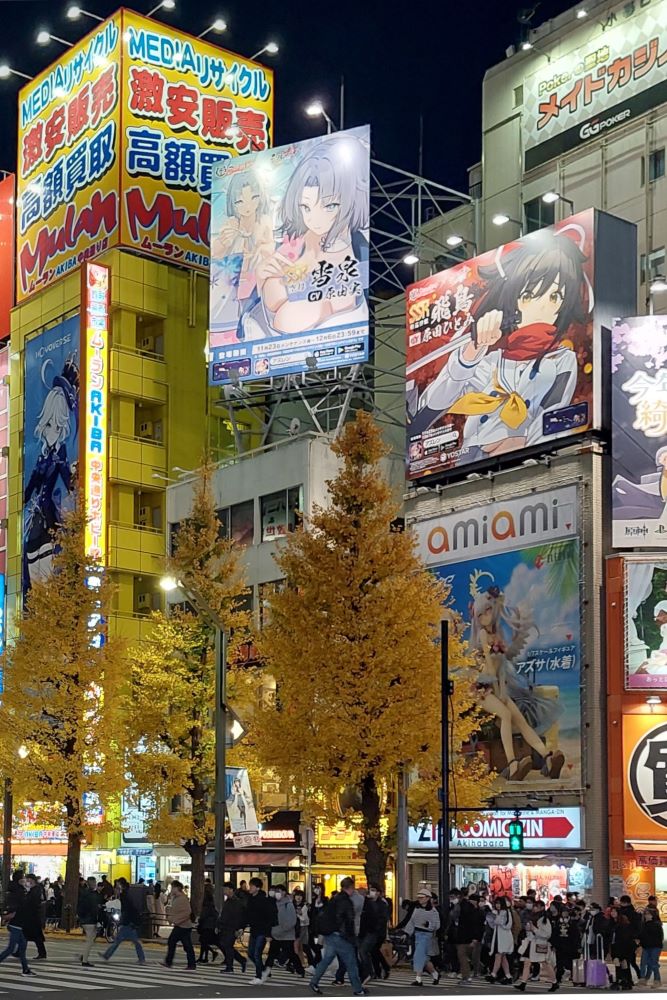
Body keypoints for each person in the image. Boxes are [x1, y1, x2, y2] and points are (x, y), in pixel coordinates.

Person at [254, 132, 370, 339]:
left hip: (336, 348)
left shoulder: (360, 251)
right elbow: (269, 302)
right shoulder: (294, 244)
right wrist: (261, 278)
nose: (314, 219)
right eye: (305, 207)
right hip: (270, 349)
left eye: (329, 205)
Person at [467, 572, 565, 781]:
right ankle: (512, 764)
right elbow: (488, 670)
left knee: (521, 720)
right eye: (481, 613)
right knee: (505, 714)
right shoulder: (483, 636)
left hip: (496, 686)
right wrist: (499, 690)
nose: (484, 616)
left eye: (487, 612)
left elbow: (500, 668)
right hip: (480, 689)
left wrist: (502, 689)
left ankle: (547, 757)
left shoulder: (497, 637)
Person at [309, 875, 368, 997]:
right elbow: (348, 921)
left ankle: (314, 981)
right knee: (351, 962)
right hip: (341, 936)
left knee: (327, 959)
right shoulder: (346, 902)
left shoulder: (334, 899)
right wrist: (352, 938)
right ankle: (358, 988)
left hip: (330, 934)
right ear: (351, 888)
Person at [99, 877, 146, 964]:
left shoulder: (125, 895)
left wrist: (124, 921)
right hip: (130, 922)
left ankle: (107, 955)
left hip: (128, 922)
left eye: (117, 885)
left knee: (121, 940)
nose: (116, 887)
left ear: (121, 885)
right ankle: (141, 958)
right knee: (131, 941)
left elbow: (127, 909)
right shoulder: (126, 894)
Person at [403, 888, 441, 988]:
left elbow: (437, 925)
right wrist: (407, 933)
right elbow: (411, 921)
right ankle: (435, 974)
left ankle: (418, 979)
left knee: (418, 955)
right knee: (425, 959)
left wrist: (428, 924)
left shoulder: (433, 911)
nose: (420, 899)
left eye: (422, 897)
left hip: (426, 936)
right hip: (417, 934)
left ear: (428, 898)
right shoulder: (417, 908)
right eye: (419, 897)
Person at [514, 903, 557, 992]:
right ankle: (523, 982)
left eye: (536, 906)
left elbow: (547, 934)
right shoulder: (533, 917)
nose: (534, 908)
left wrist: (534, 929)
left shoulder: (544, 919)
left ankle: (554, 982)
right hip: (531, 943)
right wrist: (529, 929)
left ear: (541, 908)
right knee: (527, 962)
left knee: (545, 963)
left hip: (539, 944)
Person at [264, 883, 302, 979]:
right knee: (271, 954)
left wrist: (283, 929)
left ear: (284, 892)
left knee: (291, 954)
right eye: (276, 891)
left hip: (287, 935)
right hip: (276, 934)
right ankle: (266, 970)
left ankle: (300, 970)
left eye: (279, 891)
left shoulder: (288, 904)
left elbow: (292, 920)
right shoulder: (274, 904)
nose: (277, 893)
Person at [246, 876, 277, 985]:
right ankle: (264, 970)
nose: (250, 888)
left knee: (257, 954)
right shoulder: (250, 899)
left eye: (252, 886)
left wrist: (268, 933)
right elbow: (247, 915)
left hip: (262, 931)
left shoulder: (264, 901)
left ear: (258, 888)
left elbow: (269, 918)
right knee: (250, 953)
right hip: (254, 930)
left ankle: (259, 976)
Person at [161, 881, 196, 971]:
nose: (171, 890)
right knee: (186, 945)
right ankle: (191, 964)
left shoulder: (182, 899)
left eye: (172, 888)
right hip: (182, 925)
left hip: (182, 925)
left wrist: (176, 920)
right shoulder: (177, 898)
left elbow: (187, 912)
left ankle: (169, 962)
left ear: (177, 888)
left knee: (173, 942)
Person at [217, 882, 247, 975]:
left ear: (231, 890)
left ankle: (230, 967)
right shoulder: (228, 901)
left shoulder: (236, 902)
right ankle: (241, 960)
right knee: (226, 945)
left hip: (232, 928)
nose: (224, 891)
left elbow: (238, 917)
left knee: (228, 946)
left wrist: (238, 928)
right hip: (226, 927)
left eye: (225, 889)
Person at [486, 896, 514, 984]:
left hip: (504, 938)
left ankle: (493, 975)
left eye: (499, 903)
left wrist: (499, 921)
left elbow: (509, 925)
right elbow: (494, 925)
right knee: (502, 958)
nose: (498, 905)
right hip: (499, 937)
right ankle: (508, 976)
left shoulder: (507, 912)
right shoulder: (497, 913)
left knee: (498, 956)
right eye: (496, 903)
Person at [609, 907, 635, 991]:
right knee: (623, 964)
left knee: (621, 963)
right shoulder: (614, 923)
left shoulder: (622, 924)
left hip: (622, 947)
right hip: (618, 946)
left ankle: (621, 980)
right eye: (611, 911)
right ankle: (625, 981)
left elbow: (624, 938)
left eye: (614, 911)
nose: (612, 913)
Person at [22, 874, 47, 960]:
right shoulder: (32, 889)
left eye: (29, 879)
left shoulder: (37, 889)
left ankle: (42, 952)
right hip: (30, 915)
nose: (27, 881)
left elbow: (35, 901)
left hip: (34, 916)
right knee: (26, 935)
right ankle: (41, 952)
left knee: (36, 936)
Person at [77, 876, 100, 967]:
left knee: (90, 939)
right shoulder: (92, 895)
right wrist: (97, 919)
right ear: (93, 883)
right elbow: (94, 909)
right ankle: (84, 960)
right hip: (90, 919)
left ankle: (84, 956)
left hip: (84, 919)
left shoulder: (84, 893)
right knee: (90, 940)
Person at [638, 907, 663, 988]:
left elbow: (659, 937)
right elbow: (641, 936)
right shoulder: (643, 924)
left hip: (655, 947)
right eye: (645, 914)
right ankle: (643, 979)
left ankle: (657, 980)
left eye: (648, 914)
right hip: (646, 947)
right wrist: (640, 945)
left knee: (653, 964)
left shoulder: (656, 924)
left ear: (652, 915)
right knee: (643, 963)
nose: (646, 916)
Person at [197, 883, 219, 964]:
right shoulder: (211, 898)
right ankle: (205, 956)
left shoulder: (206, 899)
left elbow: (205, 911)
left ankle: (205, 956)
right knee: (204, 941)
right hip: (210, 923)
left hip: (207, 923)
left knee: (203, 941)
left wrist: (200, 919)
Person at [308, 884, 328, 967]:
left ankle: (315, 963)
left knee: (319, 945)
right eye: (316, 888)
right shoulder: (313, 900)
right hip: (313, 925)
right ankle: (317, 960)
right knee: (311, 943)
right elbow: (311, 913)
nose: (317, 890)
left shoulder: (326, 900)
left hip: (322, 926)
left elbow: (327, 912)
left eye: (318, 888)